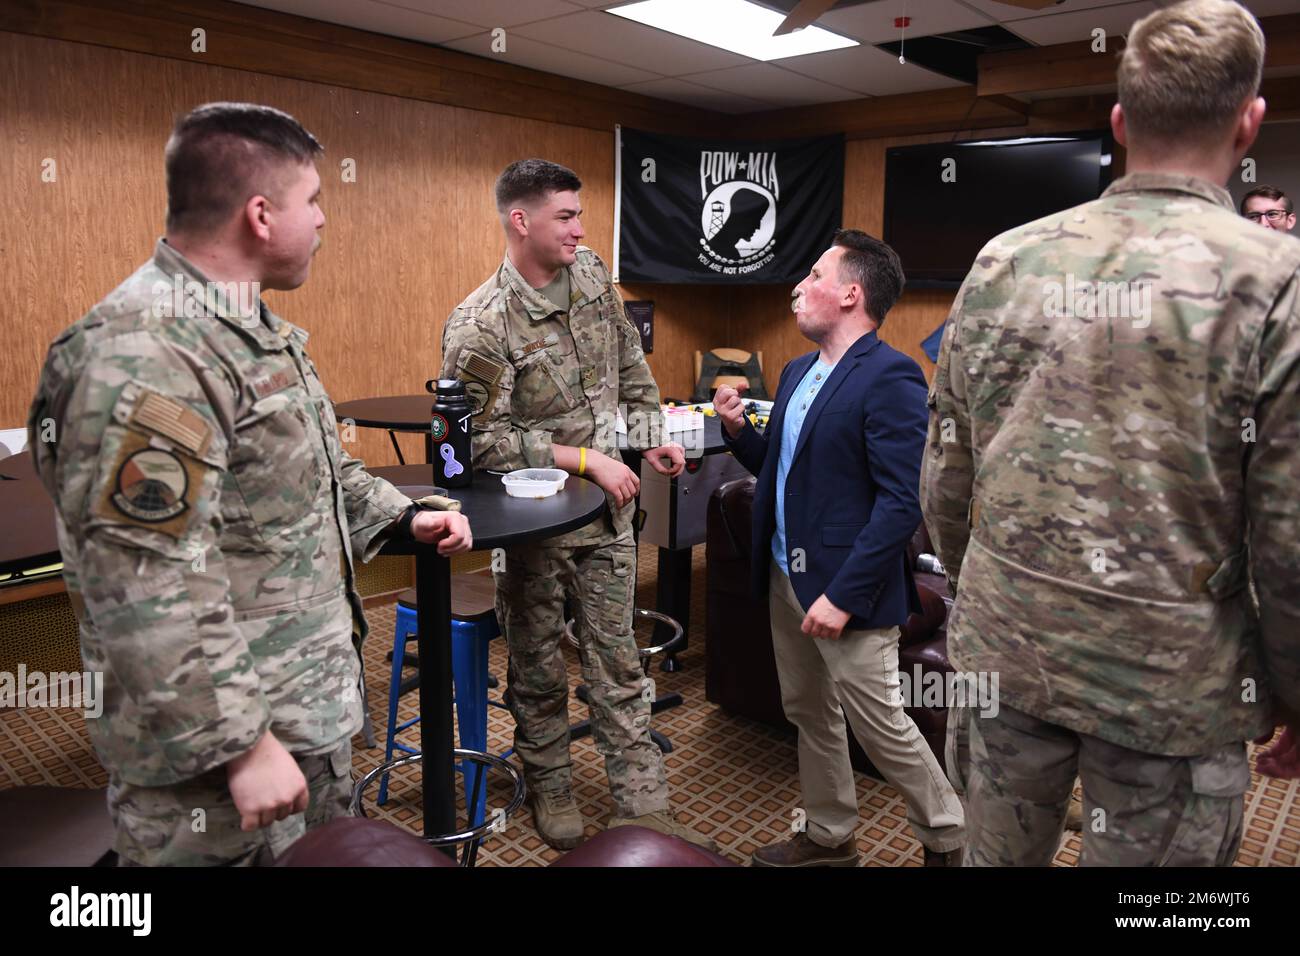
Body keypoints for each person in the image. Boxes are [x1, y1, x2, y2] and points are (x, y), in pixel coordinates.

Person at [28, 102, 473, 866]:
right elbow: (139, 574)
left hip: (299, 712)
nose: (325, 220)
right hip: (214, 766)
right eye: (314, 201)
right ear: (261, 215)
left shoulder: (249, 331)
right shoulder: (147, 349)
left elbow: (313, 477)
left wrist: (405, 517)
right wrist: (239, 743)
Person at [921, 0, 1300, 868]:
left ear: (1121, 122)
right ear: (1249, 124)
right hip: (1173, 685)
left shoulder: (1003, 260)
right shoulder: (1277, 282)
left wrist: (981, 584)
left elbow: (945, 476)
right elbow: (1288, 540)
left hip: (1005, 655)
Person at [440, 158, 710, 851]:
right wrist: (583, 458)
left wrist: (650, 439)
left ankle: (642, 799)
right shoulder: (481, 324)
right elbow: (477, 444)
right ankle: (551, 784)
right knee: (536, 665)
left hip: (608, 520)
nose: (580, 229)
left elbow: (629, 366)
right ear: (520, 221)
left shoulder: (591, 277)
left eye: (579, 215)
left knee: (617, 660)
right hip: (532, 528)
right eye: (565, 216)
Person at [716, 229, 965, 867]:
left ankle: (950, 838)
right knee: (808, 710)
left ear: (852, 294)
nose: (798, 288)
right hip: (783, 572)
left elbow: (899, 503)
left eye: (815, 277)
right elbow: (784, 466)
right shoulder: (799, 369)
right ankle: (830, 836)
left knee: (879, 723)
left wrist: (842, 596)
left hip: (846, 588)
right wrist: (738, 431)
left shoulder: (893, 375)